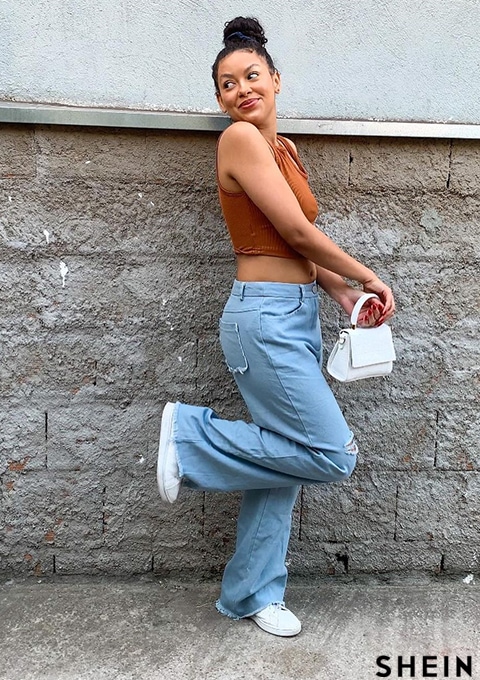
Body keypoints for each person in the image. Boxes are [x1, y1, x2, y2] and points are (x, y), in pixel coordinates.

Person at [157, 16, 395, 637]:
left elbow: (299, 245)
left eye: (252, 76)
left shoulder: (282, 149)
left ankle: (250, 593)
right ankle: (189, 437)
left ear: (276, 80)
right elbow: (295, 232)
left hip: (293, 314)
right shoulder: (239, 139)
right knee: (331, 454)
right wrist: (368, 274)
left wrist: (343, 294)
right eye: (228, 84)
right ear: (220, 100)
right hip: (262, 318)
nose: (242, 90)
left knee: (284, 463)